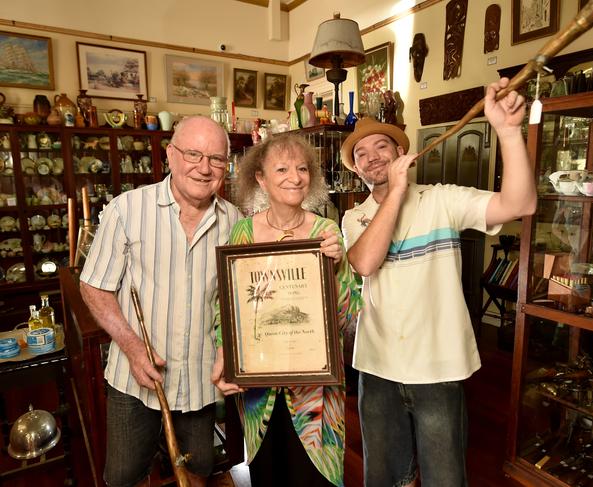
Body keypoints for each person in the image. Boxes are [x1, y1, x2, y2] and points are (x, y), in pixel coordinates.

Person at [340, 77, 537, 486]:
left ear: (402, 153)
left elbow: (520, 203)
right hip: (376, 367)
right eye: (361, 153)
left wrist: (508, 132)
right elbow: (364, 263)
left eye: (382, 146)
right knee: (383, 479)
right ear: (357, 169)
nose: (372, 157)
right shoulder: (354, 218)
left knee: (445, 479)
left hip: (439, 366)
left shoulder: (442, 200)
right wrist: (394, 192)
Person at [79, 116, 241, 487]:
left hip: (200, 379)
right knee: (124, 477)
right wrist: (134, 348)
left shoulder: (234, 220)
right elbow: (94, 287)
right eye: (193, 154)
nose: (204, 168)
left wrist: (227, 352)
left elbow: (234, 299)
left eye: (216, 159)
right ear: (170, 155)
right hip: (134, 378)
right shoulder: (126, 210)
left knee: (198, 471)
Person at [213, 133, 361, 487]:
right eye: (281, 168)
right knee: (268, 473)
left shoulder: (326, 232)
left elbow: (349, 316)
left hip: (316, 391)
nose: (294, 177)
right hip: (258, 388)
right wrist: (225, 357)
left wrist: (338, 266)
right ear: (260, 178)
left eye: (302, 168)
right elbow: (227, 307)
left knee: (315, 477)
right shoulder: (242, 234)